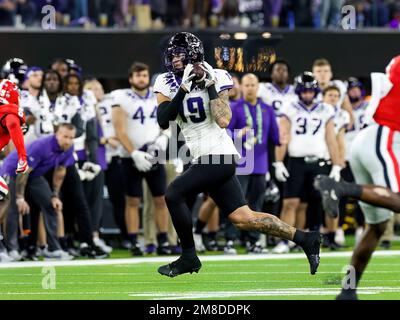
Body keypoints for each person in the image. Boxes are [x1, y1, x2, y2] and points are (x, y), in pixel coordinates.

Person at [154, 32, 321, 277]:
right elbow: (163, 120)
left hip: (220, 155)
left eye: (179, 54)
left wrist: (209, 84)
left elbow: (223, 120)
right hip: (203, 158)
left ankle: (189, 256)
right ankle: (305, 238)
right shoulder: (165, 81)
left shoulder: (217, 75)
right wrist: (183, 89)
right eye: (172, 54)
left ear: (193, 55)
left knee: (173, 193)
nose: (174, 59)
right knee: (244, 218)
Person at [314, 55, 400, 300]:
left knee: (377, 226)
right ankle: (341, 189)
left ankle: (348, 291)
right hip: (386, 136)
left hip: (369, 138)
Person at [272, 72, 343, 254]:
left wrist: (336, 164)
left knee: (322, 202)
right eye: (304, 92)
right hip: (296, 162)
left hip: (319, 162)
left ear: (316, 91)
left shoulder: (326, 109)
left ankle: (328, 237)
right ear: (299, 92)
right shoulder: (290, 108)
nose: (307, 95)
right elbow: (283, 137)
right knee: (290, 202)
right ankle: (285, 241)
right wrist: (279, 162)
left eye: (310, 92)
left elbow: (331, 139)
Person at [112, 62, 171, 256]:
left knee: (161, 199)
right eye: (137, 75)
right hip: (131, 156)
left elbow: (167, 119)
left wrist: (164, 136)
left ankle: (162, 240)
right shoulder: (121, 96)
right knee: (132, 201)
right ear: (131, 78)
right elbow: (119, 131)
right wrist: (134, 152)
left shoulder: (158, 94)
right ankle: (133, 241)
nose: (142, 79)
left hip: (155, 152)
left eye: (144, 75)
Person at [0, 124, 77, 261]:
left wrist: (54, 195)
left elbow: (60, 172)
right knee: (12, 209)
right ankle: (11, 249)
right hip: (12, 172)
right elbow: (23, 172)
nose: (68, 141)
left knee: (51, 205)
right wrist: (20, 198)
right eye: (65, 136)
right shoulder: (42, 146)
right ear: (56, 134)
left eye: (71, 138)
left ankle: (53, 249)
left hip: (34, 174)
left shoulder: (69, 148)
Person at [227, 73, 280, 253]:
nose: (250, 88)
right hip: (240, 163)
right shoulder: (234, 107)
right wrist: (237, 134)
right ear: (241, 87)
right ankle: (230, 240)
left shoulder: (267, 109)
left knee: (257, 205)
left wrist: (276, 163)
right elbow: (224, 134)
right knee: (236, 204)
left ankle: (254, 241)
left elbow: (275, 137)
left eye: (253, 85)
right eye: (247, 85)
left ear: (258, 87)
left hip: (261, 163)